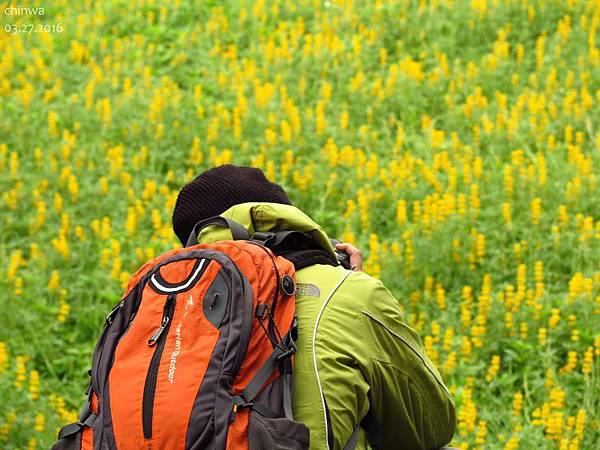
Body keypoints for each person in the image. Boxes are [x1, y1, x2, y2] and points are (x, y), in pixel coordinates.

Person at [172, 165, 456, 450]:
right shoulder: (350, 294)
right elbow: (430, 427)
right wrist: (353, 290)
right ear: (284, 219)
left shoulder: (162, 306)